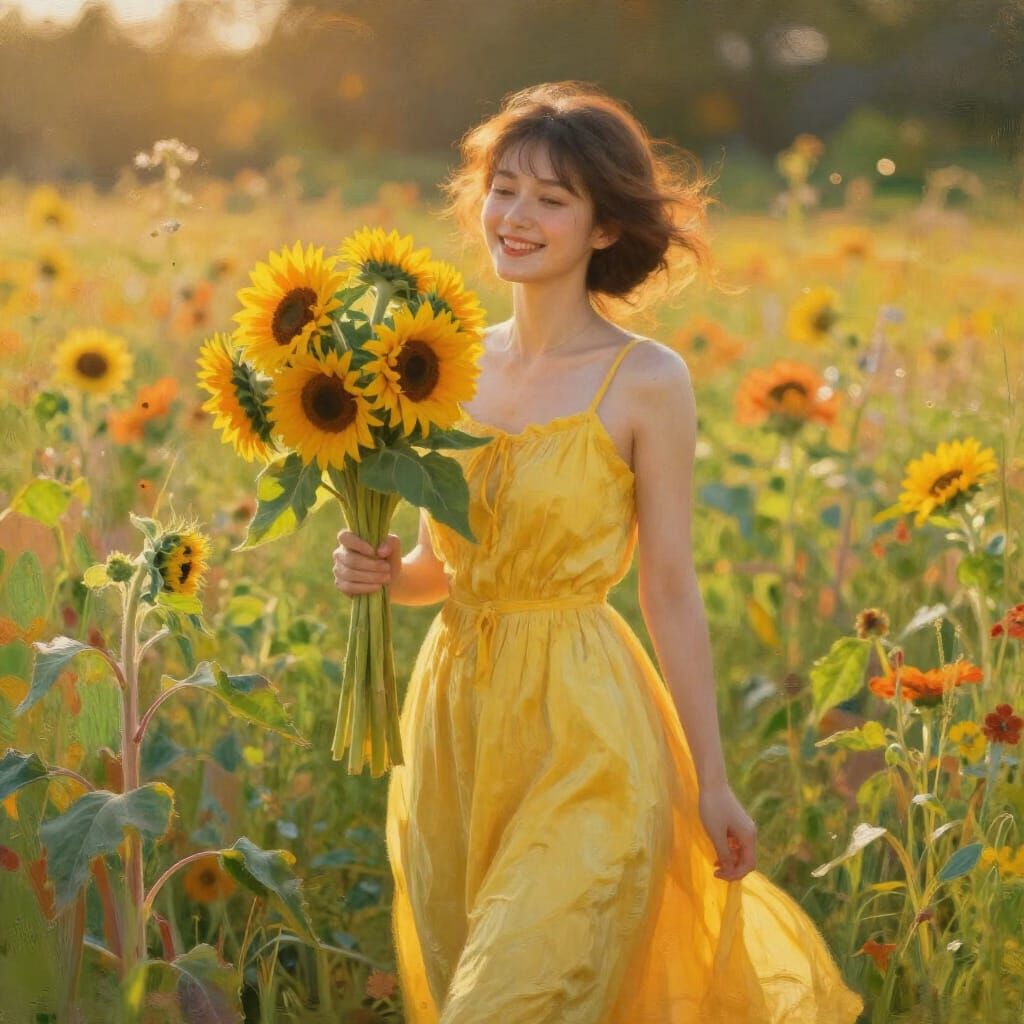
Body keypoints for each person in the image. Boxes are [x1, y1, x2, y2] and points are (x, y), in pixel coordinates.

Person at [333, 81, 864, 1024]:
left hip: (587, 725)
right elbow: (436, 570)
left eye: (553, 197)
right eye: (504, 188)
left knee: (509, 1000)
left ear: (604, 228)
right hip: (455, 723)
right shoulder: (437, 366)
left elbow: (668, 587)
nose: (516, 217)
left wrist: (712, 781)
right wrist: (378, 574)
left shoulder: (646, 381)